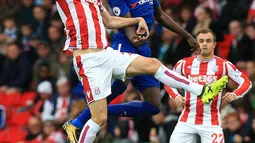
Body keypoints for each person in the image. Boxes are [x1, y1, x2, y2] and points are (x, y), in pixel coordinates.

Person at [55, 0, 228, 142]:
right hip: (88, 60)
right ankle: (77, 124)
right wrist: (135, 27)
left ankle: (203, 91)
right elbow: (130, 33)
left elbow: (109, 21)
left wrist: (136, 20)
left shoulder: (96, 1)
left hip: (106, 53)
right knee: (100, 117)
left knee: (153, 66)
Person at [164, 29, 252, 143]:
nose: (204, 44)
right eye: (201, 41)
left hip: (211, 122)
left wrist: (235, 94)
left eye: (208, 41)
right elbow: (168, 81)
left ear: (214, 44)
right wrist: (175, 96)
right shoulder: (184, 64)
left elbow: (246, 82)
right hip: (187, 120)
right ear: (196, 43)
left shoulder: (224, 65)